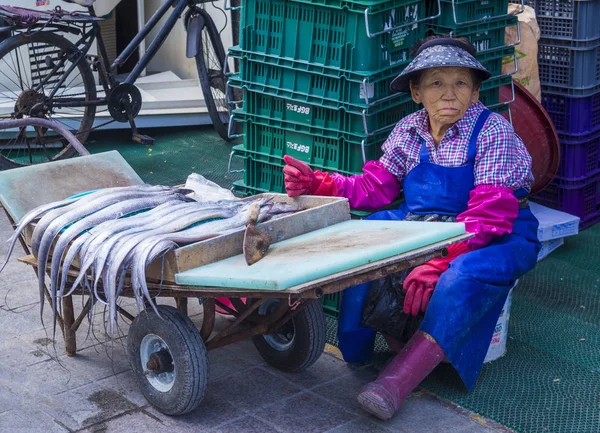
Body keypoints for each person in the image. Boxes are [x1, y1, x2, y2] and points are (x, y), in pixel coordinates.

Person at [282, 36, 541, 421]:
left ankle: (394, 384)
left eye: (461, 83)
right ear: (417, 92)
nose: (449, 94)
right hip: (425, 224)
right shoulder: (409, 129)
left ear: (474, 92)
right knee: (363, 239)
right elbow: (375, 187)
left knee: (461, 276)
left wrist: (439, 260)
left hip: (496, 232)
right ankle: (359, 349)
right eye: (436, 83)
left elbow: (489, 217)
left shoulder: (493, 133)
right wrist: (319, 185)